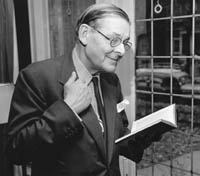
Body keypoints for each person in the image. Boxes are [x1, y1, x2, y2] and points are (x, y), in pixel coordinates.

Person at [6, 3, 157, 176]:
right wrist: (67, 111)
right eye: (114, 40)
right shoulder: (37, 77)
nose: (122, 50)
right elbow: (16, 150)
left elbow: (110, 142)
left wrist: (142, 138)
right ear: (85, 34)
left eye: (125, 42)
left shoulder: (111, 81)